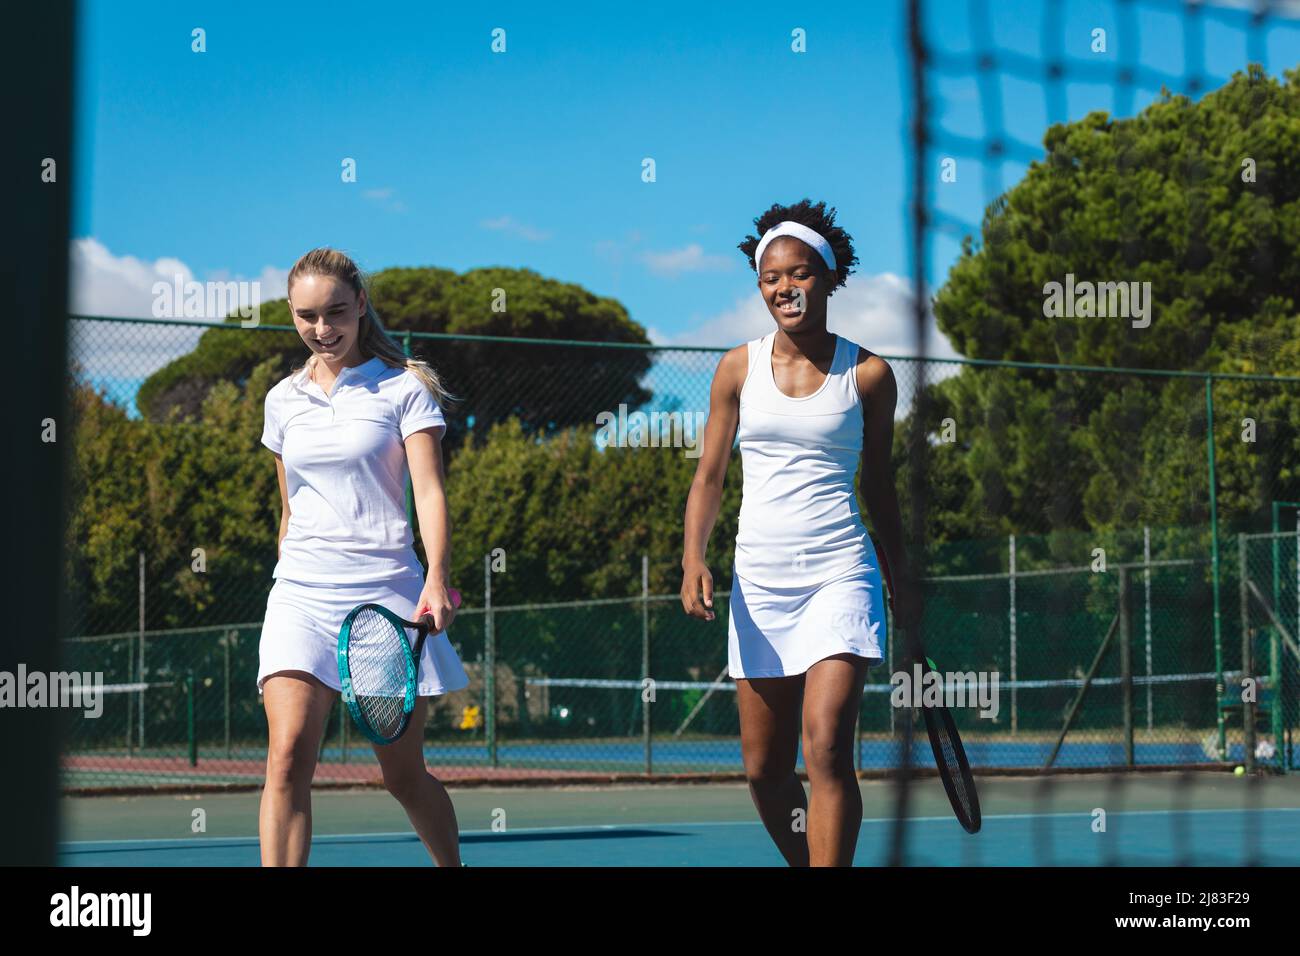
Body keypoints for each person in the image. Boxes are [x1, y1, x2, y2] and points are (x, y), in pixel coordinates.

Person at [680, 200, 917, 866]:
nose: (785, 287)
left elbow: (879, 488)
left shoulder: (869, 375)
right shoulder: (736, 369)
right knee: (765, 772)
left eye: (801, 273)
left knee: (828, 745)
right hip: (758, 585)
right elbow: (709, 478)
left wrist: (900, 579)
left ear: (829, 277)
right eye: (771, 277)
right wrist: (692, 558)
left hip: (841, 575)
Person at [257, 247, 468, 866]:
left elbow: (428, 490)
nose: (322, 329)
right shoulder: (282, 401)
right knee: (288, 758)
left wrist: (437, 579)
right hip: (299, 592)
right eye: (306, 316)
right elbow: (289, 508)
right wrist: (287, 573)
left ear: (361, 307)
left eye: (335, 313)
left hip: (385, 594)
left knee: (401, 776)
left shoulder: (402, 387)